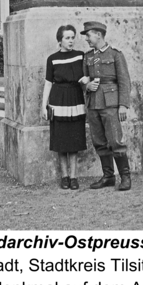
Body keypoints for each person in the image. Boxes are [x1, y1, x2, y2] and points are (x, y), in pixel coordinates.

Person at [80, 21, 132, 191]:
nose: (86, 39)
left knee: (115, 140)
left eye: (88, 35)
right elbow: (84, 79)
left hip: (111, 103)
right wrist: (86, 87)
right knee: (99, 141)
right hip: (93, 102)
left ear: (98, 35)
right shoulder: (87, 56)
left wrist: (123, 105)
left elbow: (124, 81)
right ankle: (108, 176)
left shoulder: (115, 54)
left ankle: (125, 177)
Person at [41, 25, 87, 190]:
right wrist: (43, 106)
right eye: (67, 38)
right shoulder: (52, 59)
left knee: (74, 140)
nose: (71, 41)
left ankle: (74, 177)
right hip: (58, 99)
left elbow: (86, 78)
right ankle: (64, 177)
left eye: (72, 37)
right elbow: (48, 83)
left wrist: (86, 82)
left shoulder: (80, 56)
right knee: (61, 140)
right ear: (59, 40)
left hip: (75, 99)